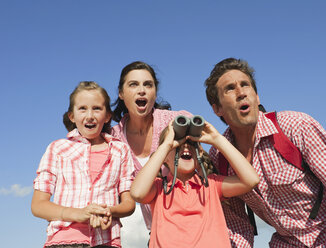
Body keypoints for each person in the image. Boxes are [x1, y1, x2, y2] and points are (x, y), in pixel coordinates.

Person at [204, 58, 326, 248]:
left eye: (245, 85)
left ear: (257, 97)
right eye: (230, 88)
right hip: (288, 243)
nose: (241, 93)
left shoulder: (294, 126)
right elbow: (236, 224)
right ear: (217, 108)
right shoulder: (221, 158)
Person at [31, 81, 136, 248]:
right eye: (82, 109)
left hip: (107, 240)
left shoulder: (120, 150)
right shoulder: (57, 149)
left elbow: (129, 204)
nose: (89, 115)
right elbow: (38, 205)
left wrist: (108, 211)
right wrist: (78, 214)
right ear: (72, 116)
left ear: (107, 115)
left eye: (97, 108)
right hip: (62, 240)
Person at [130, 118, 260, 248]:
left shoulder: (211, 184)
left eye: (192, 143)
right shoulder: (159, 188)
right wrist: (166, 145)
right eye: (177, 144)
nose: (186, 146)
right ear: (163, 158)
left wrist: (218, 140)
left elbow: (251, 180)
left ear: (200, 153)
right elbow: (137, 193)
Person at [111, 61, 191, 231]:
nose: (142, 90)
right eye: (133, 84)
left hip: (193, 222)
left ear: (154, 92)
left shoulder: (175, 121)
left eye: (148, 85)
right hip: (157, 230)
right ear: (121, 93)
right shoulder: (112, 139)